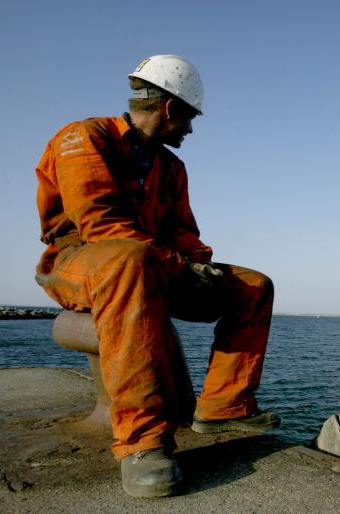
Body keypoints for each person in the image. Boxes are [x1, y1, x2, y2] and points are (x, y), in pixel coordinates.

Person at [34, 54, 279, 498]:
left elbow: (184, 233)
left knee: (253, 286)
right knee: (128, 260)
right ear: (169, 109)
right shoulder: (84, 137)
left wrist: (197, 263)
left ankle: (223, 405)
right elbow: (100, 224)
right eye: (189, 119)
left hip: (155, 262)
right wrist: (177, 264)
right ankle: (143, 443)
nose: (189, 129)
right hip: (78, 263)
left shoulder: (172, 168)